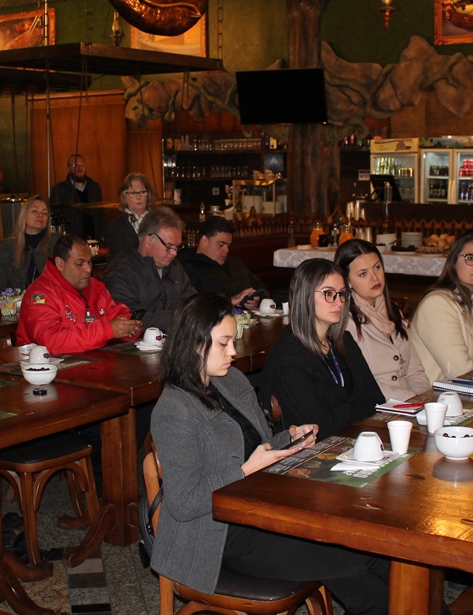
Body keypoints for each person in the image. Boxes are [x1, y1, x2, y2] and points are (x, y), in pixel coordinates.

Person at [151, 293, 389, 615]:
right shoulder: (174, 409)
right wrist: (245, 471)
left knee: (366, 564)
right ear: (193, 344)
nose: (233, 352)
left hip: (263, 511)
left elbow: (259, 445)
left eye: (233, 341)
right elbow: (183, 503)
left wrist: (288, 438)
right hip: (219, 535)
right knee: (363, 555)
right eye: (223, 343)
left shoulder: (230, 380)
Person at [259, 259, 385, 439]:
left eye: (342, 294)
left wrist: (338, 413)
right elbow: (319, 427)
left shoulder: (344, 341)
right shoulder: (288, 358)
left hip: (354, 437)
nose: (339, 302)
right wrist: (355, 408)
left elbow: (376, 400)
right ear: (305, 297)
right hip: (312, 450)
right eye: (329, 293)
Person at [334, 239, 429, 402]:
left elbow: (415, 371)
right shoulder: (345, 321)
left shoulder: (393, 310)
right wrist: (410, 400)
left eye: (377, 267)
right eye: (363, 274)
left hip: (409, 403)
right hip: (376, 405)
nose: (374, 277)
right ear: (347, 282)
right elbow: (361, 384)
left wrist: (425, 399)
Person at [16, 234, 142, 352]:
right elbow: (51, 341)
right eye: (79, 263)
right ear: (60, 264)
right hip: (44, 365)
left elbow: (115, 314)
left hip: (93, 362)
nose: (88, 269)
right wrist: (107, 330)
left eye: (89, 262)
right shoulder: (39, 295)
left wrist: (128, 327)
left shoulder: (96, 288)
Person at [409, 235, 473, 382]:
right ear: (453, 263)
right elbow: (460, 372)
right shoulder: (437, 304)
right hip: (437, 393)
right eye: (471, 258)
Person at [103, 207, 196, 331]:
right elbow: (133, 320)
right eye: (169, 246)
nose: (174, 253)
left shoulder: (175, 268)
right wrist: (181, 317)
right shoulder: (120, 272)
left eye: (177, 247)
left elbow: (193, 305)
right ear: (148, 241)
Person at [178, 216, 267, 310]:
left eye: (228, 245)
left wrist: (256, 300)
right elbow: (193, 306)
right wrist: (229, 301)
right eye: (221, 245)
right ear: (204, 241)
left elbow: (261, 289)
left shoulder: (235, 263)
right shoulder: (187, 268)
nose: (226, 250)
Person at [0, 195, 53, 293]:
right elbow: (0, 288)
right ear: (24, 215)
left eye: (45, 213)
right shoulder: (7, 247)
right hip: (17, 301)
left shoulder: (56, 242)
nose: (40, 215)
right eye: (34, 211)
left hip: (51, 300)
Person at [49, 154, 104, 241]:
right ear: (68, 169)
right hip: (72, 242)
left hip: (95, 240)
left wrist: (102, 237)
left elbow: (101, 215)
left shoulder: (94, 187)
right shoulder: (59, 190)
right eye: (75, 165)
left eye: (82, 164)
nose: (79, 168)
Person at [107, 173, 154, 261]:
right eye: (133, 193)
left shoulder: (158, 221)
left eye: (142, 192)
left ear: (148, 195)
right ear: (124, 197)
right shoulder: (116, 226)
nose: (138, 196)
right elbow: (118, 260)